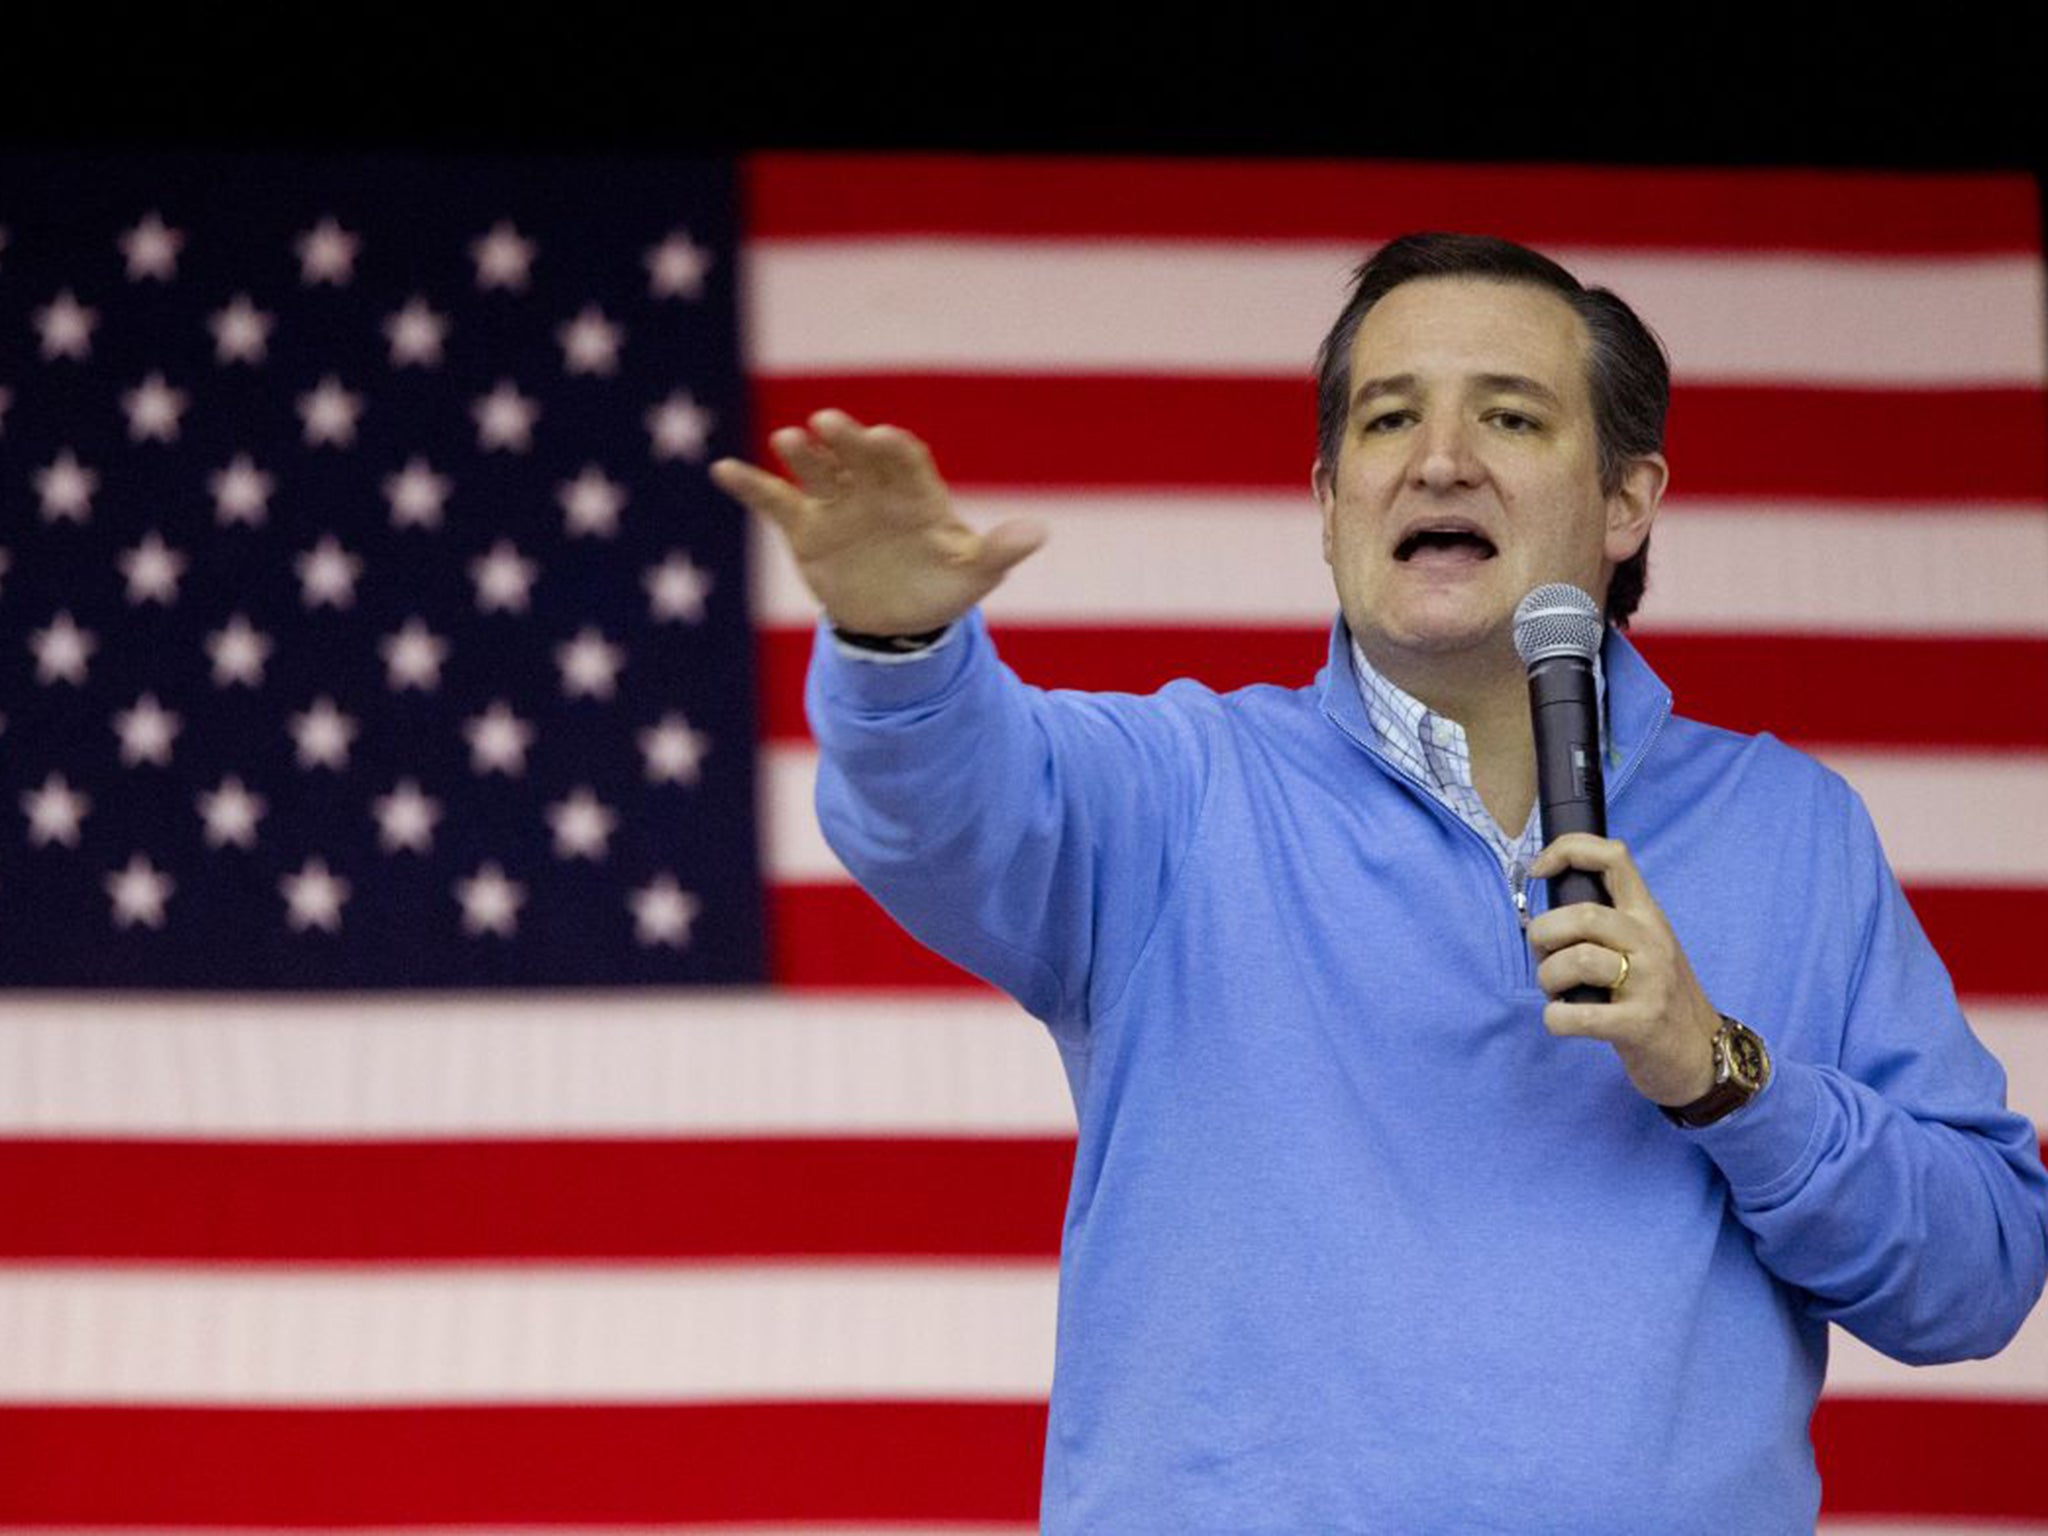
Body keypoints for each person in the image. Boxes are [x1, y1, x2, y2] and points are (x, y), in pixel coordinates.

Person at [711, 234, 2048, 1534]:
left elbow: (1977, 1278)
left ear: (1630, 500)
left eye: (1513, 419)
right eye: (1388, 419)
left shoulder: (1795, 831)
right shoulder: (1177, 792)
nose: (1439, 461)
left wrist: (1719, 1070)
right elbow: (940, 816)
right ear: (1328, 498)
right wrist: (899, 644)